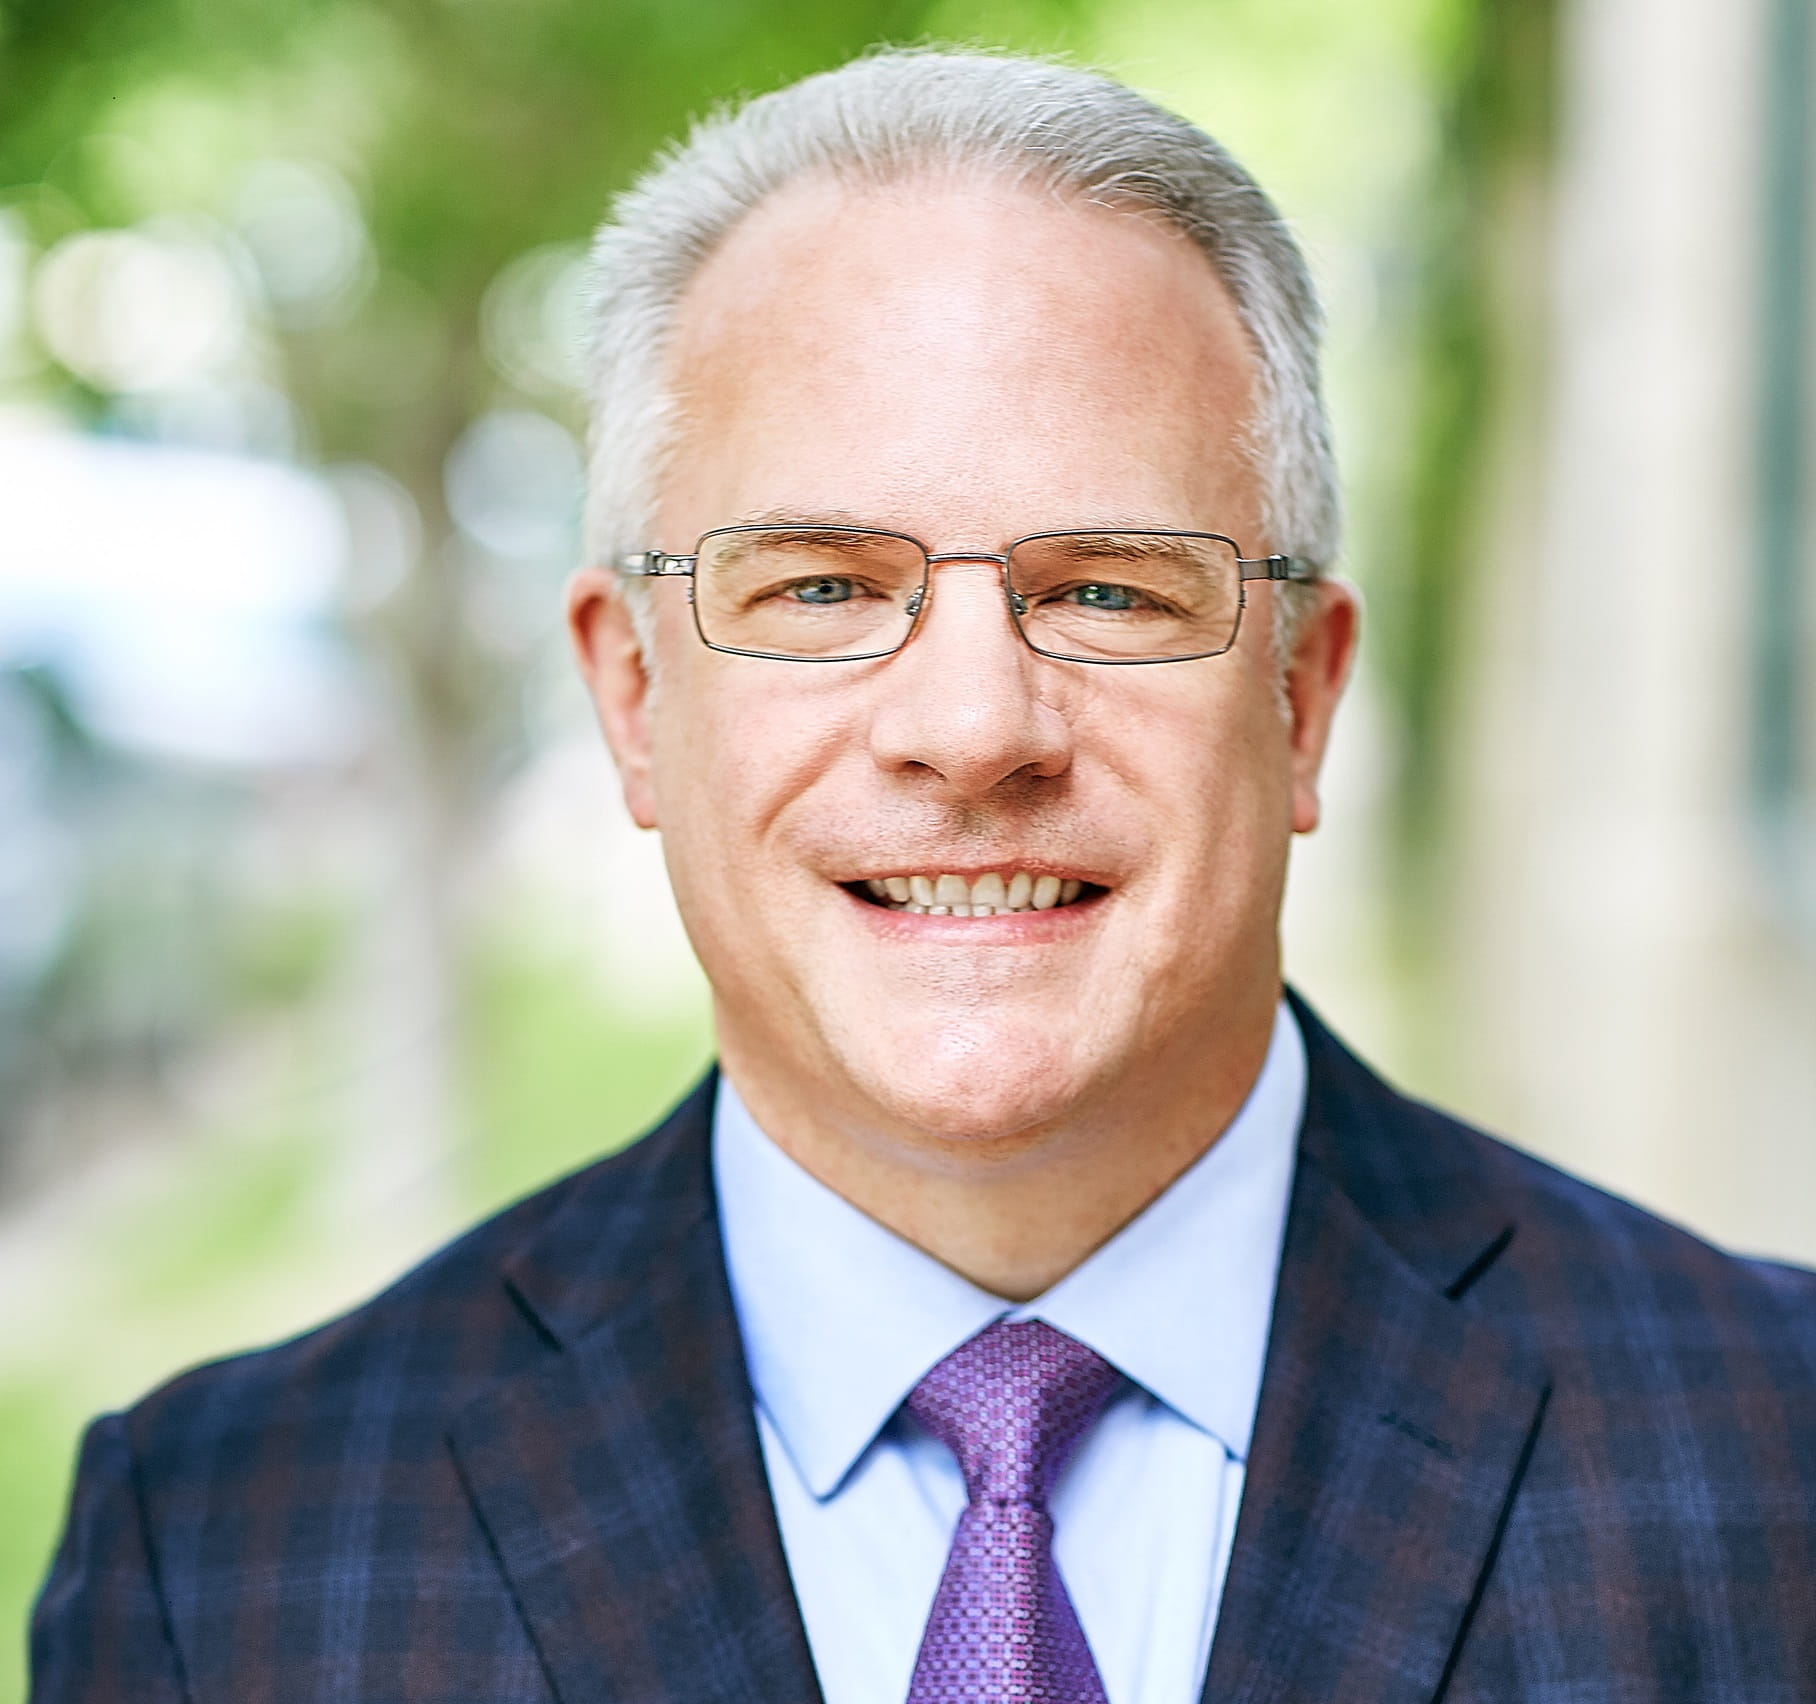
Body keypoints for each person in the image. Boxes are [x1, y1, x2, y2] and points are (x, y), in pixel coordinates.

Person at [31, 46, 1816, 1704]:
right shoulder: (216, 1566)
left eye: (1111, 586)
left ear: (1305, 695)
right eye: (818, 586)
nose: (974, 728)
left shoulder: (1777, 1466)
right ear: (636, 697)